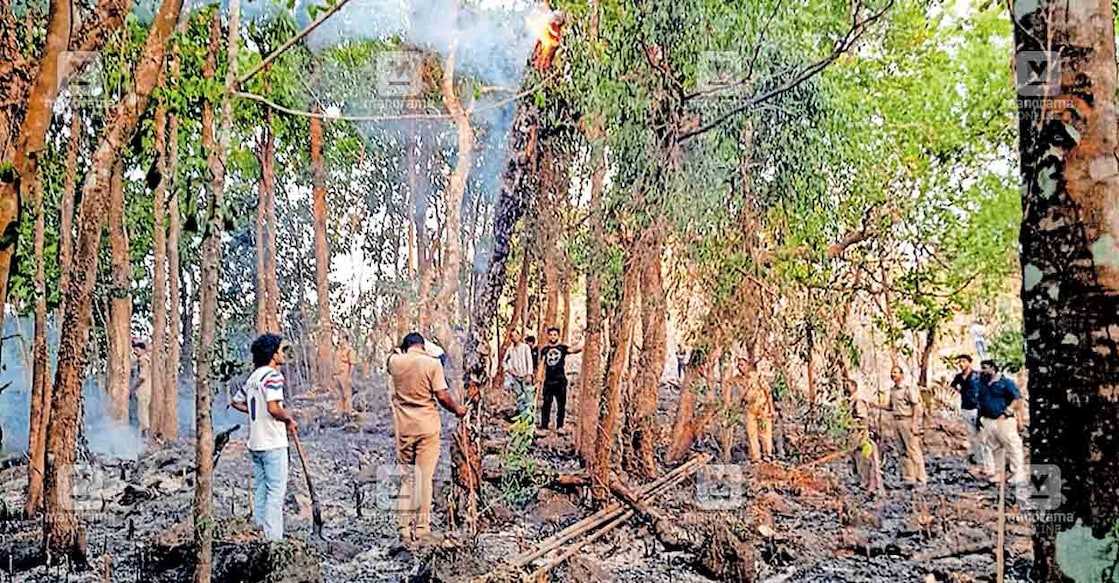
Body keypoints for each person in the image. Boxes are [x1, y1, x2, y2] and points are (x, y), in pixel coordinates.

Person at [387, 332, 468, 546]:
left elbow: (394, 356)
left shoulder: (395, 362)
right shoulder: (432, 364)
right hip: (427, 427)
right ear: (423, 345)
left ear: (406, 346)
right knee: (424, 478)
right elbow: (442, 396)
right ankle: (422, 529)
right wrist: (458, 410)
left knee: (408, 477)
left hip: (404, 428)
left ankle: (404, 529)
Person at [231, 333, 297, 541]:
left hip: (256, 443)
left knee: (261, 491)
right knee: (275, 494)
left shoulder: (254, 377)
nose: (282, 354)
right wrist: (288, 419)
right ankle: (273, 541)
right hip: (273, 442)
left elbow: (236, 401)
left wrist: (255, 413)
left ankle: (258, 534)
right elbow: (273, 407)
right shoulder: (273, 376)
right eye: (280, 349)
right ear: (272, 353)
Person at [977, 359, 1026, 485]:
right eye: (982, 368)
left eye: (985, 368)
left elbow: (1017, 398)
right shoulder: (983, 383)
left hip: (1003, 420)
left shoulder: (1006, 383)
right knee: (995, 447)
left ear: (993, 369)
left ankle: (1018, 473)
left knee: (1012, 446)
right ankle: (1000, 473)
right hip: (988, 419)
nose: (982, 371)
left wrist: (1007, 412)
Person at [886, 365, 927, 486]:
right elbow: (890, 407)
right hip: (896, 421)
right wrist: (874, 405)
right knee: (902, 451)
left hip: (907, 420)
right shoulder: (892, 391)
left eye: (896, 372)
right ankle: (908, 478)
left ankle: (921, 478)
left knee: (913, 450)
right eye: (892, 372)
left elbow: (916, 407)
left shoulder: (908, 389)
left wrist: (915, 424)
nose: (893, 375)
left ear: (901, 375)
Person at [537, 327, 582, 435]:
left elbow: (573, 350)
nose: (552, 337)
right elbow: (542, 364)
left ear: (558, 336)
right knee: (546, 404)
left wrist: (584, 343)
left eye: (555, 335)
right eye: (551, 334)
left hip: (560, 381)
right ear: (548, 336)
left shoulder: (562, 348)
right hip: (548, 381)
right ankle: (544, 426)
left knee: (561, 405)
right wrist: (538, 377)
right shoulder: (545, 350)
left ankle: (560, 426)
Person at [949, 354, 991, 472]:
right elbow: (952, 387)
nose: (961, 364)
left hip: (977, 408)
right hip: (965, 408)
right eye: (959, 362)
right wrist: (957, 390)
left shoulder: (978, 375)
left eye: (963, 361)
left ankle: (988, 464)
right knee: (973, 437)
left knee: (982, 437)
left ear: (969, 362)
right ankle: (979, 463)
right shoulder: (959, 377)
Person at [737, 358, 774, 462]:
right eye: (739, 365)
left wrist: (771, 408)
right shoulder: (739, 379)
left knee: (765, 432)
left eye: (742, 365)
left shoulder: (757, 376)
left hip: (762, 406)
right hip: (750, 408)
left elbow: (768, 392)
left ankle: (768, 454)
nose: (741, 368)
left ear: (748, 365)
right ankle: (755, 457)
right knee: (751, 432)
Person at [503, 330, 535, 419]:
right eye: (512, 336)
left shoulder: (525, 347)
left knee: (528, 398)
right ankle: (523, 418)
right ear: (510, 338)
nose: (514, 338)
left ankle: (530, 419)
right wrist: (508, 369)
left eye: (516, 335)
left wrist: (529, 374)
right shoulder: (510, 349)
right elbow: (504, 361)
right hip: (515, 377)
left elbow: (529, 361)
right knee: (519, 398)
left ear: (519, 336)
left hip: (525, 376)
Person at [131, 339, 153, 437]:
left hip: (143, 390)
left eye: (137, 350)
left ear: (143, 350)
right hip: (146, 390)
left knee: (142, 413)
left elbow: (142, 377)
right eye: (135, 350)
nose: (135, 352)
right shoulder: (145, 359)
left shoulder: (143, 360)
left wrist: (133, 388)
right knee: (142, 412)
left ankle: (145, 435)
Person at [333, 330, 357, 412]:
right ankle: (340, 412)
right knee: (338, 395)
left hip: (345, 374)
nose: (339, 340)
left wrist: (350, 376)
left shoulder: (349, 350)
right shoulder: (338, 350)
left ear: (345, 339)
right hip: (337, 374)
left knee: (347, 394)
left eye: (340, 339)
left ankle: (348, 412)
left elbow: (352, 364)